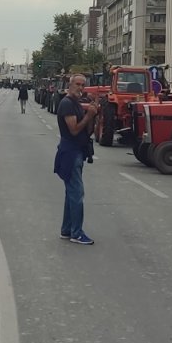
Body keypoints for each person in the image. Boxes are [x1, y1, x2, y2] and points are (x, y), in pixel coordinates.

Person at [53, 74, 100, 244]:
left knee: (71, 193)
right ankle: (76, 233)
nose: (80, 88)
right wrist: (88, 116)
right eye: (77, 84)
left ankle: (67, 230)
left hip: (77, 152)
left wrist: (92, 114)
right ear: (70, 84)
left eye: (83, 85)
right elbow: (73, 130)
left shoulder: (76, 104)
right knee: (77, 194)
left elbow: (85, 130)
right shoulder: (67, 104)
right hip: (70, 153)